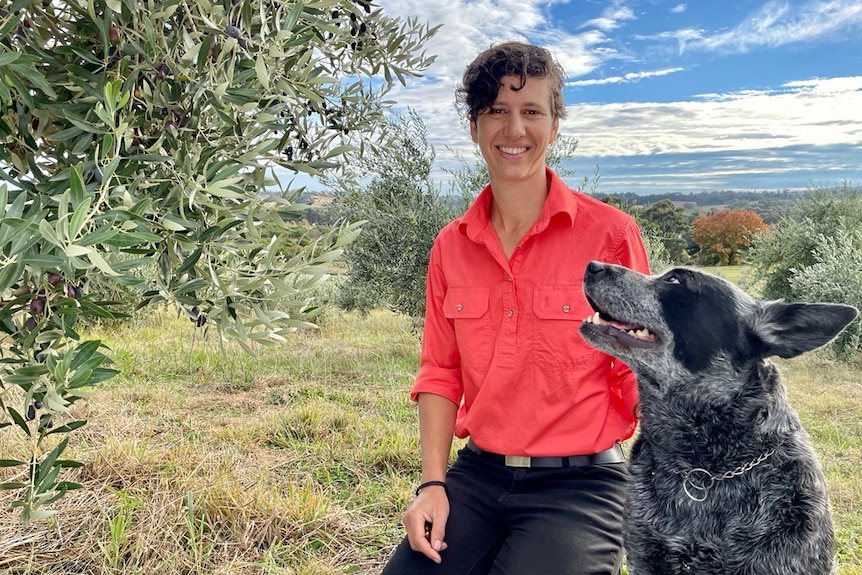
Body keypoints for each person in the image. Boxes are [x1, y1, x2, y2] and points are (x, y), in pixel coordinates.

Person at [381, 41, 651, 574]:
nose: (514, 130)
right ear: (475, 125)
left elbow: (644, 368)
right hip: (476, 477)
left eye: (531, 111)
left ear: (554, 126)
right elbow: (440, 373)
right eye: (496, 112)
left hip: (583, 487)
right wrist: (432, 485)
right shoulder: (450, 246)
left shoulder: (612, 236)